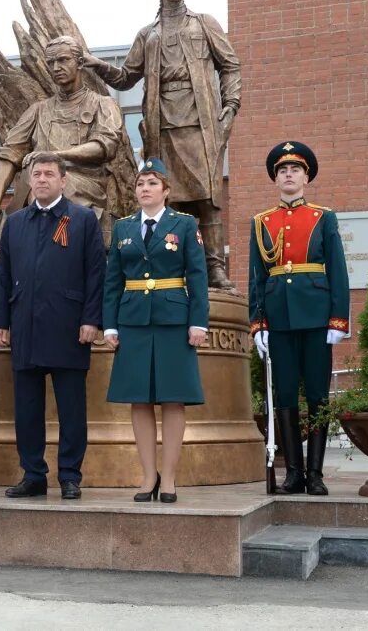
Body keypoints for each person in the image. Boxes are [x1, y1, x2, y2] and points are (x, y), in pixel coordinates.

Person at [84, 0, 242, 289]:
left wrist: (231, 105)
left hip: (201, 124)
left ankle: (215, 269)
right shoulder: (149, 35)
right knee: (173, 200)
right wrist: (96, 64)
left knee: (207, 198)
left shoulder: (204, 24)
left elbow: (230, 65)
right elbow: (127, 78)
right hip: (162, 126)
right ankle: (178, 265)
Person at [0, 152, 105, 499]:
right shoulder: (15, 223)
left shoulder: (83, 219)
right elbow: (4, 276)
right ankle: (33, 474)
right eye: (36, 174)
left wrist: (91, 319)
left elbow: (96, 273)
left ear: (63, 180)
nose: (41, 179)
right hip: (24, 325)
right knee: (27, 409)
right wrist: (0, 321)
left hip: (69, 326)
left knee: (71, 409)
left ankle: (70, 475)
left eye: (48, 174)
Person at [102, 158, 208, 504]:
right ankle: (148, 476)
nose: (144, 189)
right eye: (140, 183)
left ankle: (170, 479)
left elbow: (197, 276)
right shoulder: (123, 228)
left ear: (166, 190)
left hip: (173, 320)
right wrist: (110, 324)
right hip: (133, 321)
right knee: (140, 399)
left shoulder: (185, 224)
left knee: (173, 398)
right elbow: (113, 281)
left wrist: (198, 321)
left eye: (151, 183)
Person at [249, 141, 349, 496]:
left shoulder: (323, 217)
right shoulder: (262, 222)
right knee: (285, 394)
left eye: (295, 170)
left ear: (306, 177)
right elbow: (257, 277)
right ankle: (293, 471)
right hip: (278, 319)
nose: (288, 175)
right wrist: (257, 323)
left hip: (317, 317)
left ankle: (316, 473)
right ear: (275, 179)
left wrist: (338, 320)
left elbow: (337, 270)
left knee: (318, 394)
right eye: (282, 171)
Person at [0, 36, 124, 226]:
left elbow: (105, 146)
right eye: (51, 62)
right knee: (41, 184)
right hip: (38, 184)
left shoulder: (103, 104)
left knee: (49, 186)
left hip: (83, 183)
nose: (56, 68)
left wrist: (53, 156)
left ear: (80, 62)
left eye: (63, 60)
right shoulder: (38, 110)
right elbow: (11, 152)